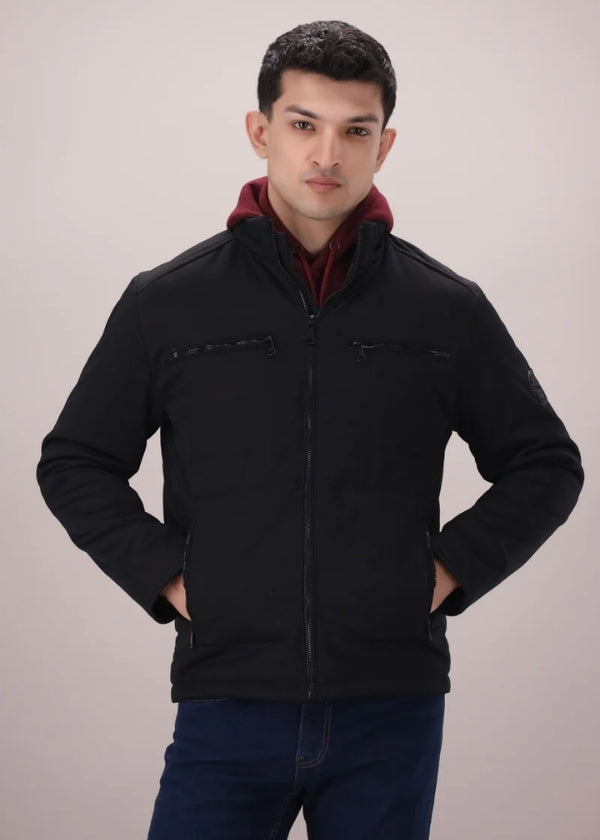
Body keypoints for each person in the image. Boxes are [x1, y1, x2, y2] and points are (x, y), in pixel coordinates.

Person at [35, 19, 584, 840]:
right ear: (261, 132)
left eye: (355, 131)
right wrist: (172, 577)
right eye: (303, 125)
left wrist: (445, 571)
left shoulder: (446, 309)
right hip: (228, 698)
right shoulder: (168, 302)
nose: (328, 154)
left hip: (391, 708)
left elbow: (546, 463)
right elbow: (75, 460)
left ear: (384, 145)